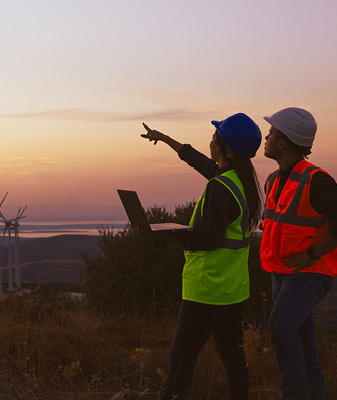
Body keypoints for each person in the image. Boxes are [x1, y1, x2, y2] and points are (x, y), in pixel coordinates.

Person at [136, 113, 265, 400]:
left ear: (223, 146)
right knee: (234, 363)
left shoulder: (220, 188)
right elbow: (196, 159)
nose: (210, 140)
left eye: (215, 136)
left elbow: (209, 239)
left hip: (206, 289)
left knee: (180, 362)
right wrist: (164, 138)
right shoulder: (238, 181)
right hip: (232, 290)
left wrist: (166, 232)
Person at [258, 107, 337, 400]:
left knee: (280, 327)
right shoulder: (273, 180)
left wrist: (313, 253)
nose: (266, 136)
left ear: (283, 142)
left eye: (272, 132)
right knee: (304, 345)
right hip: (282, 273)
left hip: (310, 274)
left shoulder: (316, 180)